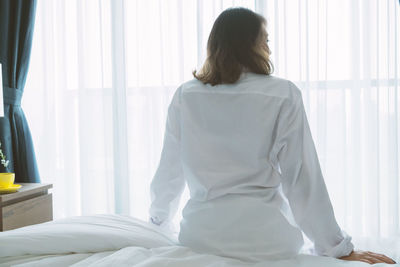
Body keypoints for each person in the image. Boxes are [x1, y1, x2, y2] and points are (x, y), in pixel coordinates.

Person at [149, 7, 396, 265]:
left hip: (201, 239)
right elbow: (302, 179)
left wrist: (158, 223)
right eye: (265, 39)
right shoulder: (282, 93)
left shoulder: (186, 95)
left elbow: (170, 170)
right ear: (250, 45)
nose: (269, 47)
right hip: (266, 242)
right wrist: (336, 248)